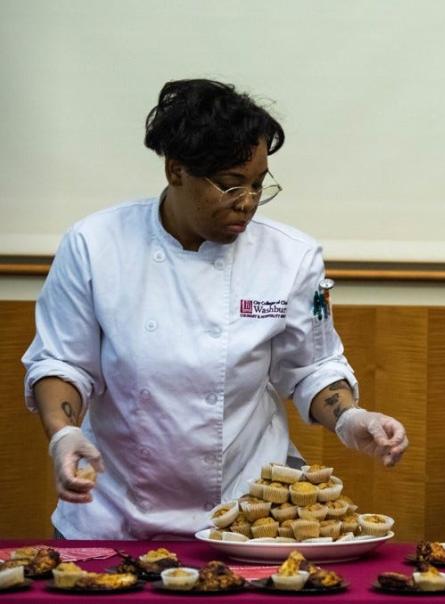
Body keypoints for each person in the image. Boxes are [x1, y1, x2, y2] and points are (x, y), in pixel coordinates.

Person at [22, 78, 408, 540]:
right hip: (115, 515)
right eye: (229, 186)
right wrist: (64, 434)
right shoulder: (95, 245)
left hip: (250, 518)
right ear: (176, 170)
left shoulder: (291, 256)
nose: (247, 202)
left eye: (258, 184)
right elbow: (63, 361)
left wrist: (351, 418)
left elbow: (312, 368)